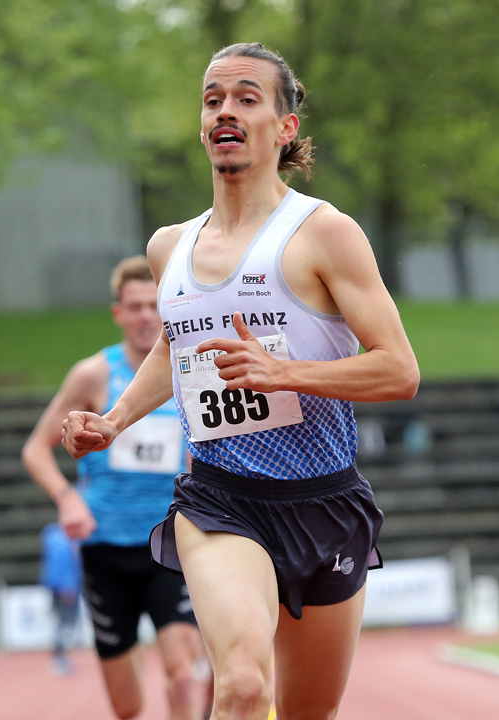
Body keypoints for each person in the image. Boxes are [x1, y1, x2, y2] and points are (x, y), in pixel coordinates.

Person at [61, 42, 419, 720]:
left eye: (247, 98)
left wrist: (287, 372)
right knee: (246, 686)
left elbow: (400, 369)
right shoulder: (170, 246)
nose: (225, 111)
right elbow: (173, 349)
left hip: (323, 500)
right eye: (213, 99)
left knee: (307, 711)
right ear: (202, 125)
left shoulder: (324, 233)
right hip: (221, 500)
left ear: (284, 128)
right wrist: (115, 419)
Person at [22, 256, 208, 720]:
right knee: (127, 707)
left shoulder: (189, 370)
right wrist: (68, 500)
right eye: (135, 306)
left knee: (182, 675)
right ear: (118, 314)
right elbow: (36, 449)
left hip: (170, 544)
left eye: (153, 305)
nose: (146, 315)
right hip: (105, 550)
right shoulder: (93, 375)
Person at [40, 523, 82, 675]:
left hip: (57, 586)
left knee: (60, 623)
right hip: (66, 588)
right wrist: (67, 585)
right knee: (64, 624)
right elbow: (64, 566)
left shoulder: (53, 538)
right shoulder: (64, 541)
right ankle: (60, 660)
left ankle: (60, 658)